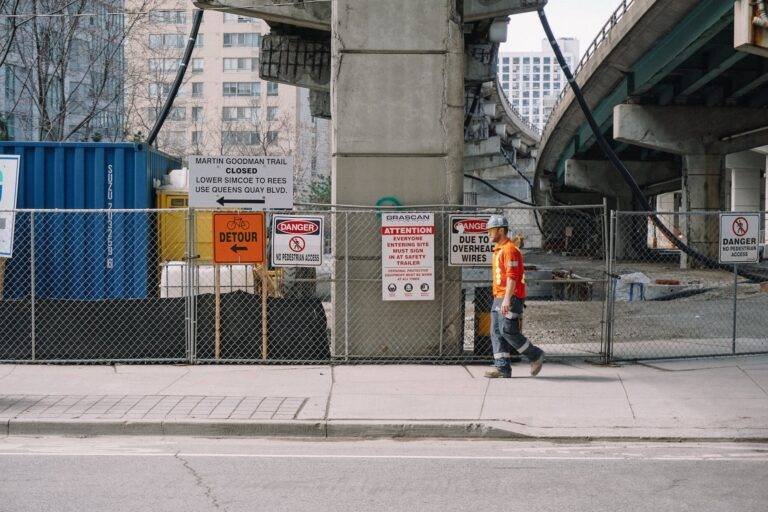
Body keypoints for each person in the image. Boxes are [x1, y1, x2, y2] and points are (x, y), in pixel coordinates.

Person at [484, 215, 545, 379]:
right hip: (500, 296)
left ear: (501, 231)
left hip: (510, 297)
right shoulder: (499, 249)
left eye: (491, 230)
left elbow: (512, 277)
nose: (489, 234)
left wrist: (506, 299)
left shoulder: (509, 250)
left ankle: (535, 355)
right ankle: (502, 368)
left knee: (507, 330)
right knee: (496, 332)